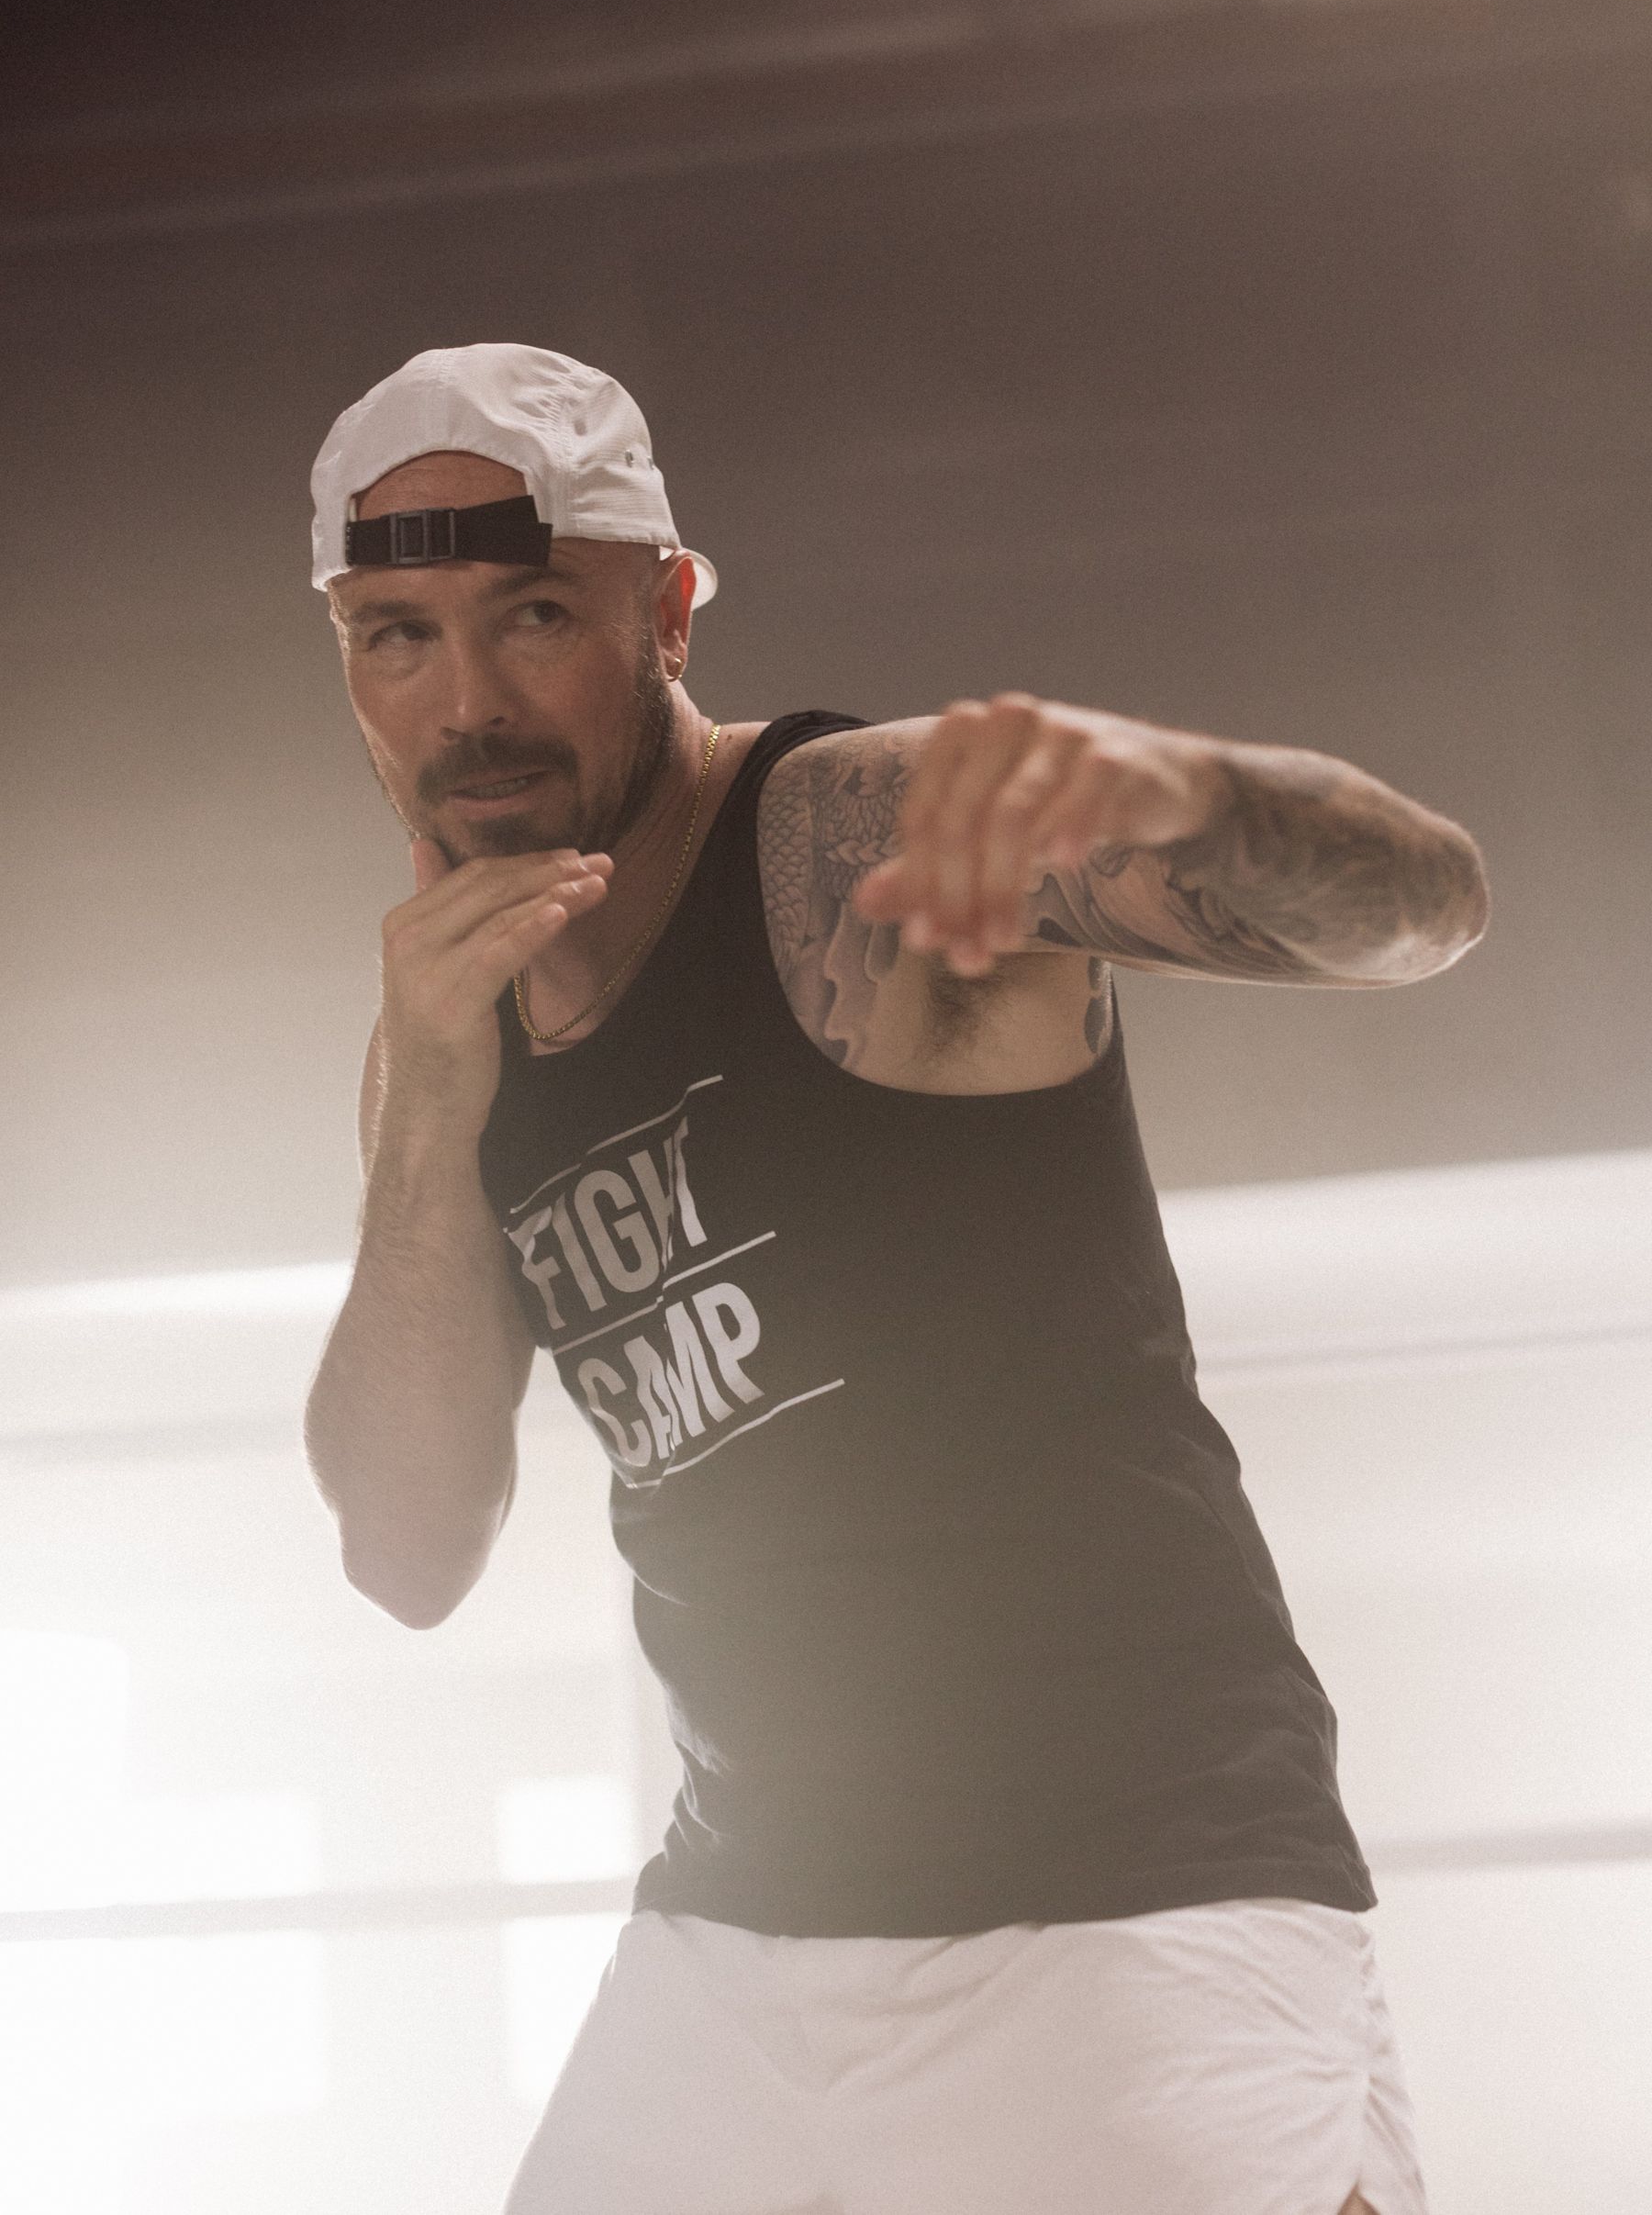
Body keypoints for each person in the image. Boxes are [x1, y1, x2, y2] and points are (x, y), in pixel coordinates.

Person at [303, 344, 1487, 2215]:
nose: (469, 702)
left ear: (667, 608)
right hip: (740, 1936)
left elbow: (1426, 909)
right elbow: (406, 1551)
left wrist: (1189, 788)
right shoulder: (447, 1021)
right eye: (398, 634)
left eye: (533, 614)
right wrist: (424, 1110)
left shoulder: (852, 836)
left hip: (1118, 1894)